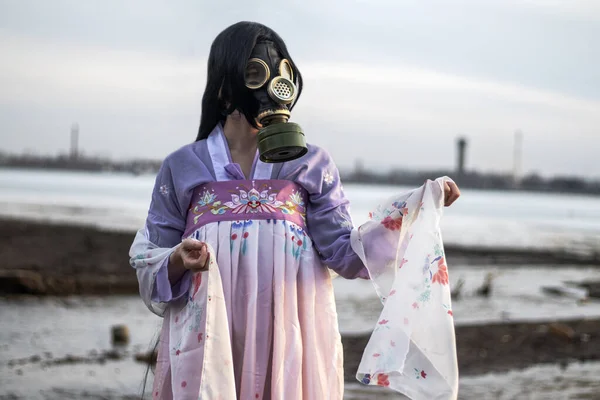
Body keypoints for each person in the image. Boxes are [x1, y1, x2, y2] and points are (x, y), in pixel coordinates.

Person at [130, 21, 461, 400]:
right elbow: (148, 262)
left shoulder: (311, 163)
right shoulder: (183, 166)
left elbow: (344, 254)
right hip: (208, 337)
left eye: (281, 73)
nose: (273, 89)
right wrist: (177, 259)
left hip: (289, 339)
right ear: (224, 90)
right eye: (255, 73)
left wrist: (414, 211)